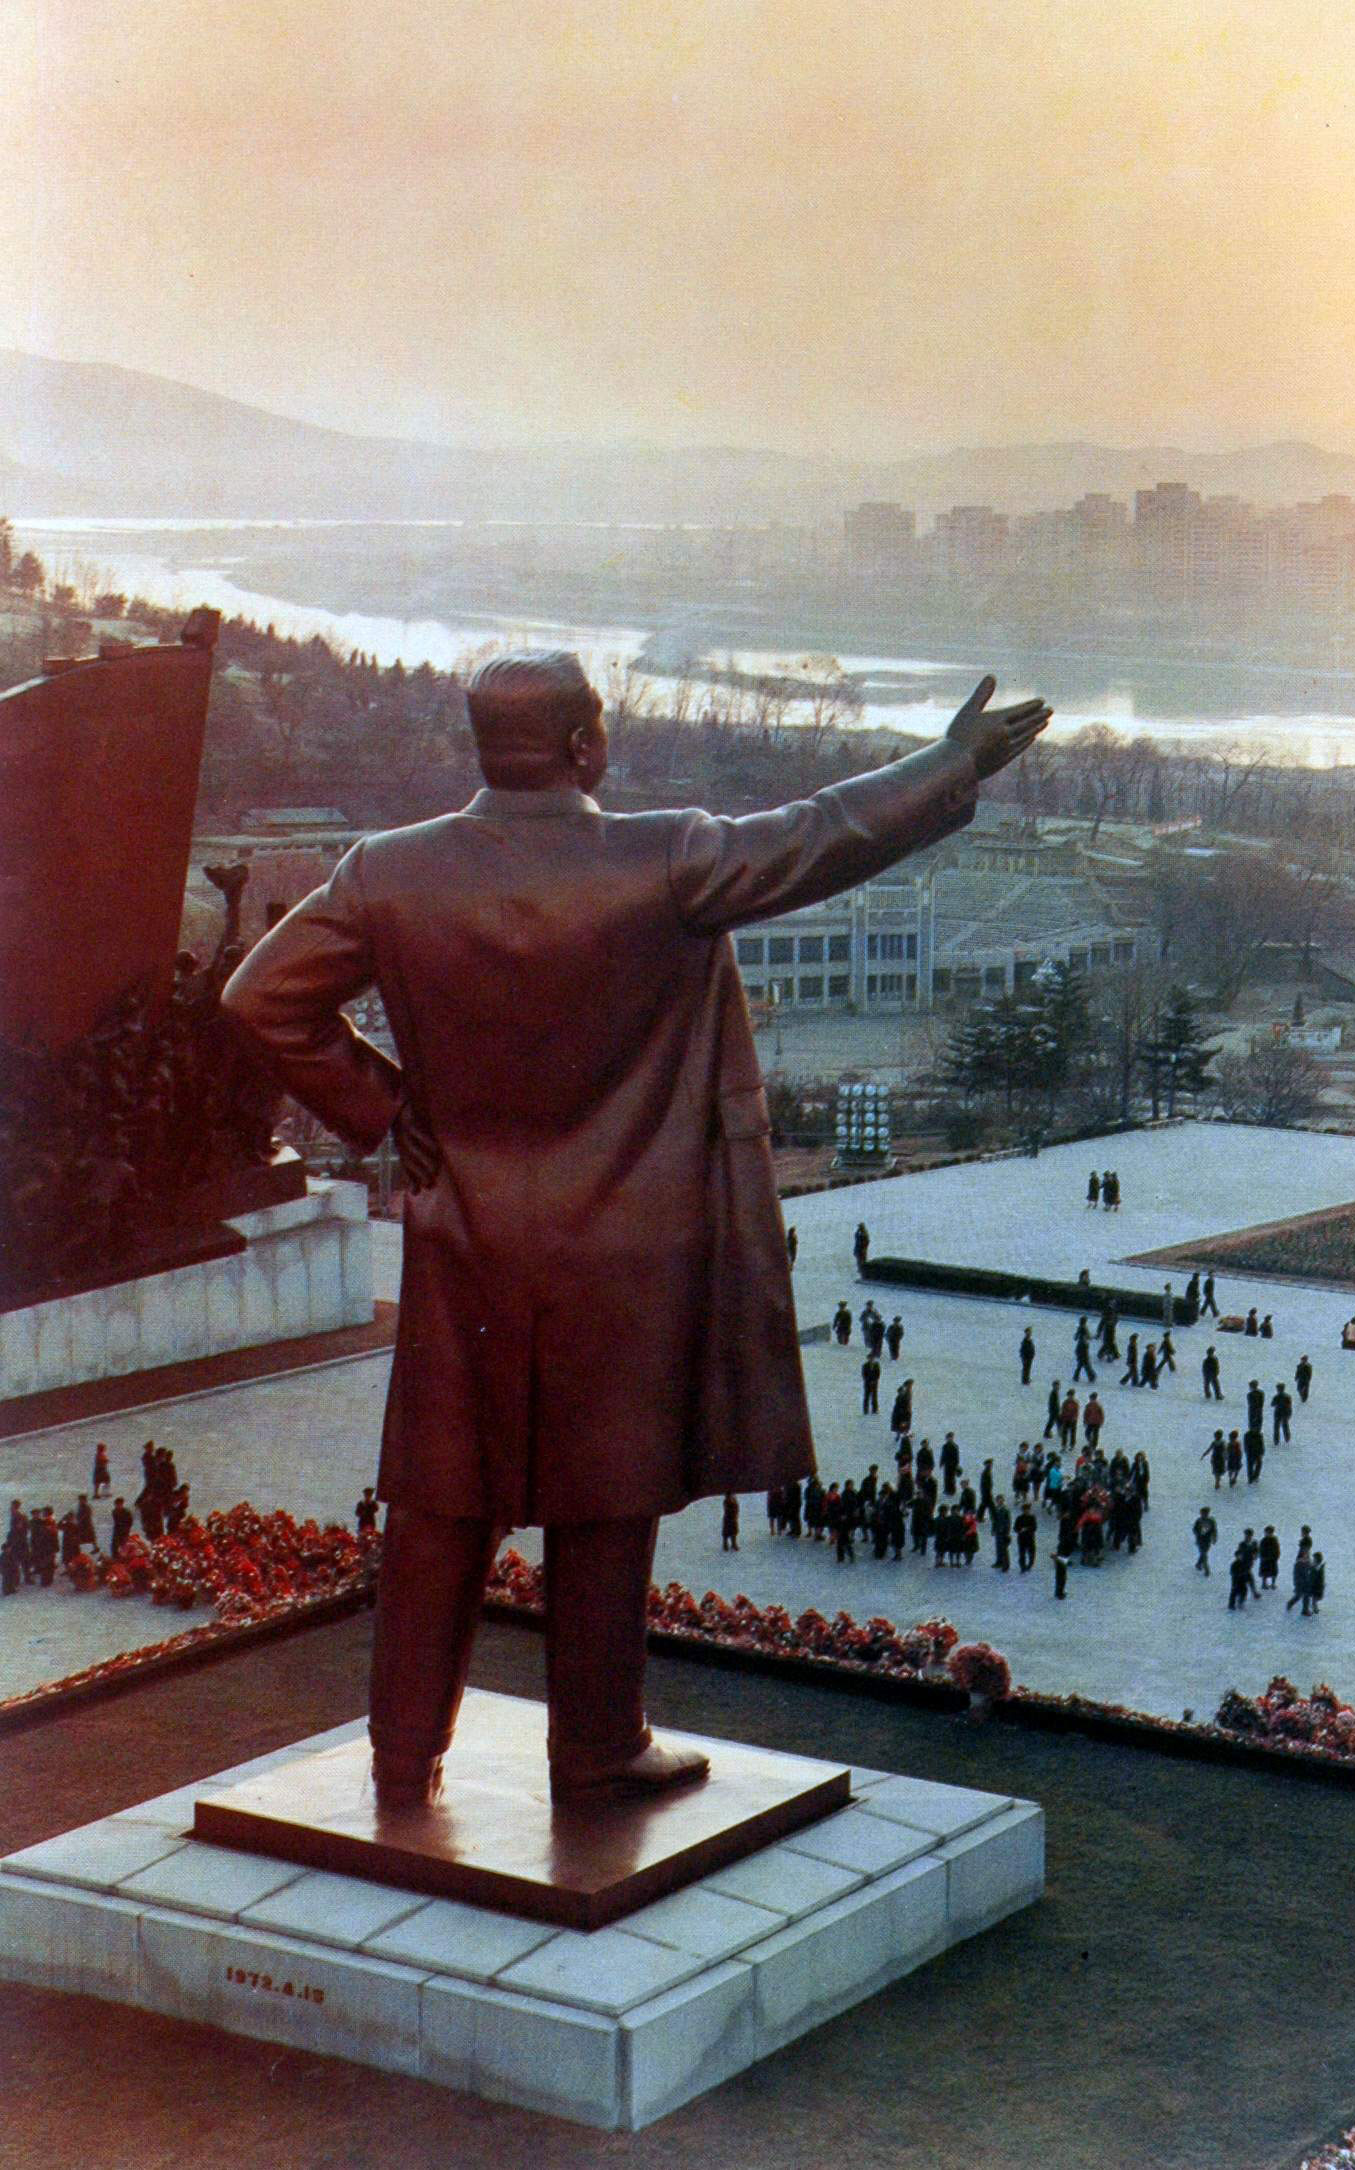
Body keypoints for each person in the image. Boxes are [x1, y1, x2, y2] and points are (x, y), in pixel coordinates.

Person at [222, 651, 1050, 1806]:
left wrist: (386, 1106)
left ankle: (404, 1752)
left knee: (440, 1498)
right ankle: (597, 1746)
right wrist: (950, 762)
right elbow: (820, 834)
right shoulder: (665, 859)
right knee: (605, 1502)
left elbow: (258, 999)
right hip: (621, 1248)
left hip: (464, 1235)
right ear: (582, 745)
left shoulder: (387, 871)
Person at [1193, 1507, 1217, 1574]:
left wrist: (1214, 1538)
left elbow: (1214, 1530)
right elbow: (1194, 1529)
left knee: (1204, 1553)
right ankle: (1206, 1569)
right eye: (1203, 1513)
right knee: (1204, 1554)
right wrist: (1199, 1533)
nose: (1204, 1515)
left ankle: (1198, 1564)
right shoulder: (1199, 1521)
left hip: (1207, 1540)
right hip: (1200, 1540)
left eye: (1205, 1513)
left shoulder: (1211, 1521)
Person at [1014, 1504, 1038, 1572]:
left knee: (1031, 1553)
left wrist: (1026, 1529)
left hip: (1030, 1538)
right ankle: (1023, 1567)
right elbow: (1015, 1527)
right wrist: (1019, 1530)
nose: (1026, 1511)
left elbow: (1034, 1527)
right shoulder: (1019, 1518)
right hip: (1022, 1538)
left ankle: (1030, 1564)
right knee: (1022, 1554)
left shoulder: (1032, 1517)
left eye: (1028, 1509)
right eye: (1025, 1510)